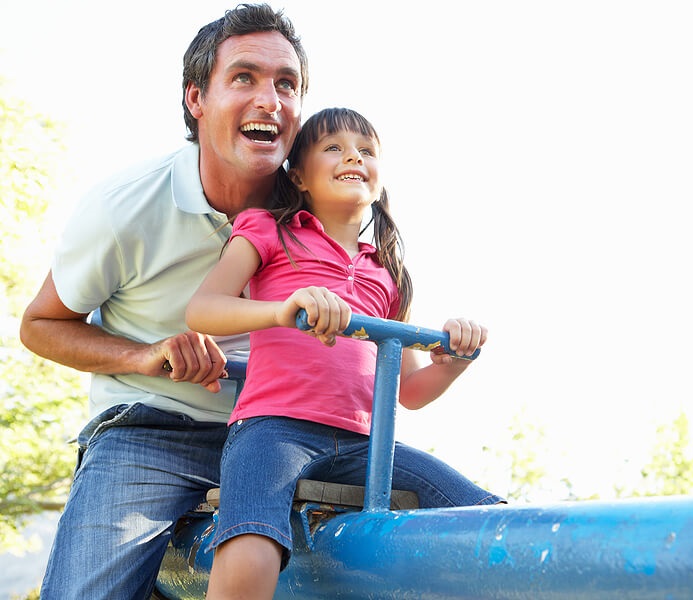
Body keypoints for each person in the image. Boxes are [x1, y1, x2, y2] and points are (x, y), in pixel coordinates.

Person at [18, 4, 308, 599]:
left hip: (283, 434)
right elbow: (41, 325)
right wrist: (144, 355)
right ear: (197, 99)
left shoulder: (320, 209)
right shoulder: (124, 207)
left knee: (442, 530)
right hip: (154, 427)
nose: (270, 99)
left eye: (287, 84)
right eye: (245, 77)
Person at [185, 106, 505, 600]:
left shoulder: (387, 274)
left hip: (365, 445)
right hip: (275, 427)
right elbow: (203, 309)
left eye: (366, 150)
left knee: (485, 516)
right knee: (252, 538)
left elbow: (410, 391)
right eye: (334, 147)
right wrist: (282, 310)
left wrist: (454, 363)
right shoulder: (270, 230)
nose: (353, 156)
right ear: (298, 175)